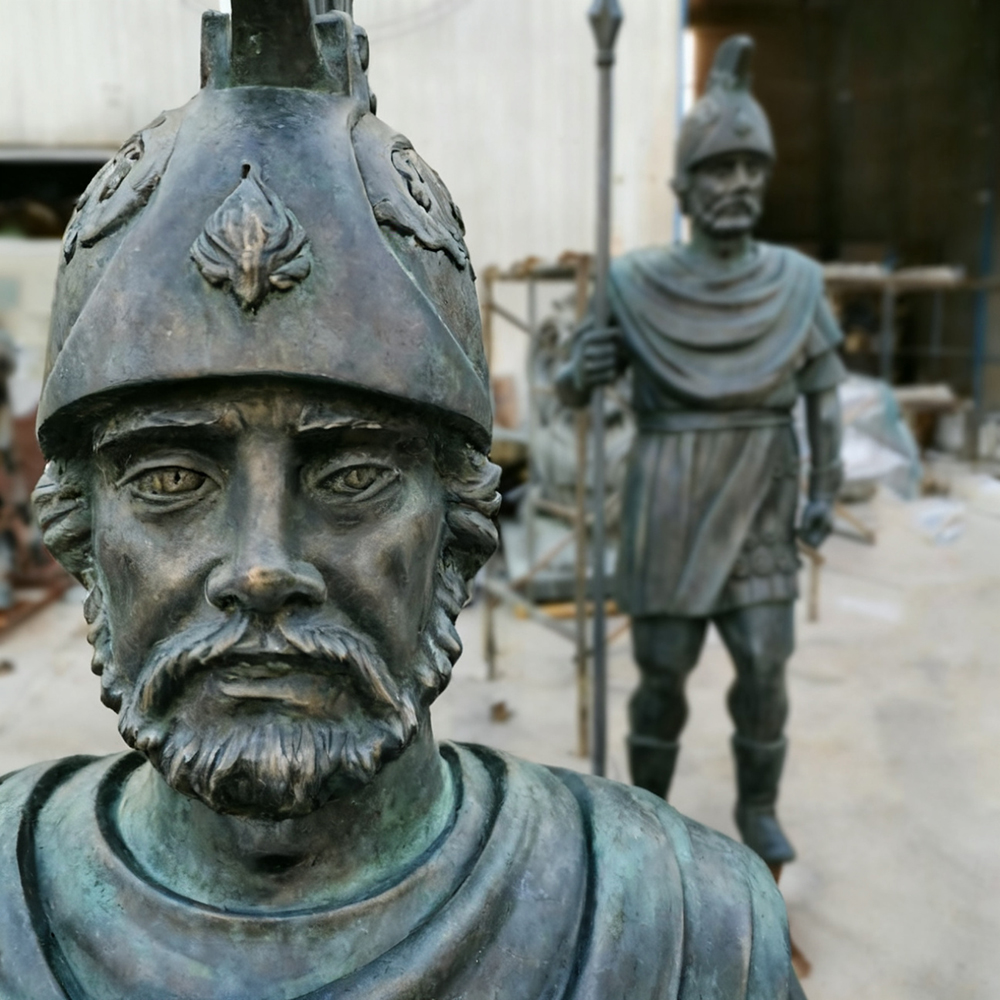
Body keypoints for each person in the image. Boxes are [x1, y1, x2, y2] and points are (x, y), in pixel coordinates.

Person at [0, 6, 805, 997]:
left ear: (461, 535)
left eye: (353, 477)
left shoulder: (687, 933)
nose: (261, 567)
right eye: (170, 479)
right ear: (81, 536)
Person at [558, 34, 845, 869]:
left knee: (764, 664)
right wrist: (584, 368)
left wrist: (826, 484)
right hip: (670, 489)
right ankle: (649, 814)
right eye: (720, 168)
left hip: (761, 484)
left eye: (753, 167)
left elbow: (824, 392)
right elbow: (574, 385)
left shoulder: (796, 282)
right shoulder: (633, 283)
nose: (740, 183)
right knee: (661, 670)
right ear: (685, 185)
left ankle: (758, 810)